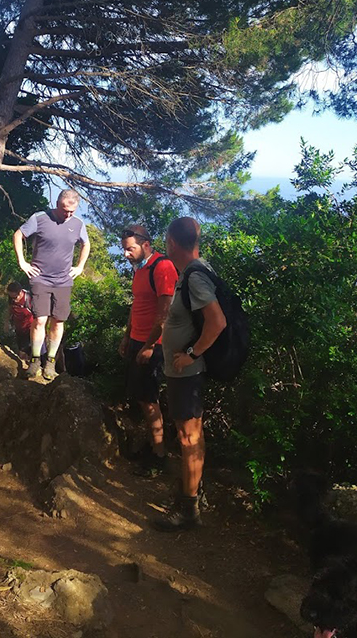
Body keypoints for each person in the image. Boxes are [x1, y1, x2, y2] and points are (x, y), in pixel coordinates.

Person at [154, 216, 226, 532]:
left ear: (171, 242)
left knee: (187, 437)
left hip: (187, 373)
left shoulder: (195, 276)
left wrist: (192, 354)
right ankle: (194, 491)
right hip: (186, 372)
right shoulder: (197, 270)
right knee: (193, 434)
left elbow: (217, 322)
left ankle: (188, 510)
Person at [119, 225, 178, 478]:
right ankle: (153, 446)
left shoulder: (162, 267)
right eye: (124, 249)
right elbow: (138, 305)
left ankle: (159, 455)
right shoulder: (140, 269)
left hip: (153, 344)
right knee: (142, 398)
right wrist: (127, 335)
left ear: (145, 245)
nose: (125, 254)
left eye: (130, 248)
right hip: (137, 340)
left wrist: (149, 346)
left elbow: (165, 313)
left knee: (149, 399)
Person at [13, 189, 90, 380]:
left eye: (72, 211)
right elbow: (18, 235)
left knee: (58, 321)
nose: (68, 214)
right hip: (41, 278)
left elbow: (85, 244)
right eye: (65, 210)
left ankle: (51, 362)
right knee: (40, 320)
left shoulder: (78, 224)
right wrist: (22, 262)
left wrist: (80, 267)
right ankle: (35, 360)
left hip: (63, 281)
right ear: (57, 203)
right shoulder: (40, 218)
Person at [6, 281, 35, 361]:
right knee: (22, 354)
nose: (14, 300)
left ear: (20, 292)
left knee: (24, 353)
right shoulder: (11, 299)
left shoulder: (29, 299)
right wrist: (6, 323)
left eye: (15, 297)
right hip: (19, 330)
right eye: (11, 297)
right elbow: (10, 309)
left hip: (30, 330)